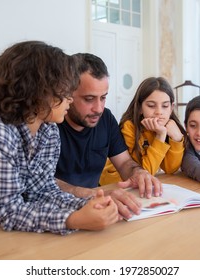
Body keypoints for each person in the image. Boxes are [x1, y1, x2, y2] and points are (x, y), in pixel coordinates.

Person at [0, 41, 119, 235]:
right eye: (64, 90)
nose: (70, 98)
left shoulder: (49, 131)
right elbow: (9, 211)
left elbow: (43, 192)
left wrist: (89, 204)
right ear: (38, 91)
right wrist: (73, 219)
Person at [55, 53, 162, 220]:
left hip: (97, 211)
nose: (98, 108)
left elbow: (125, 162)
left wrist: (138, 173)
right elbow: (41, 183)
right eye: (89, 99)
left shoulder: (105, 118)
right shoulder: (51, 123)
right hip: (58, 211)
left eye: (103, 98)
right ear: (67, 93)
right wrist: (91, 194)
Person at [100, 76, 186, 185]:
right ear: (140, 108)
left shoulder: (168, 127)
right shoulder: (129, 127)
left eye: (165, 106)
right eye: (151, 105)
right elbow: (142, 174)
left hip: (138, 185)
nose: (159, 112)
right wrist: (160, 136)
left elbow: (170, 169)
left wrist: (177, 139)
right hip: (115, 183)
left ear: (171, 108)